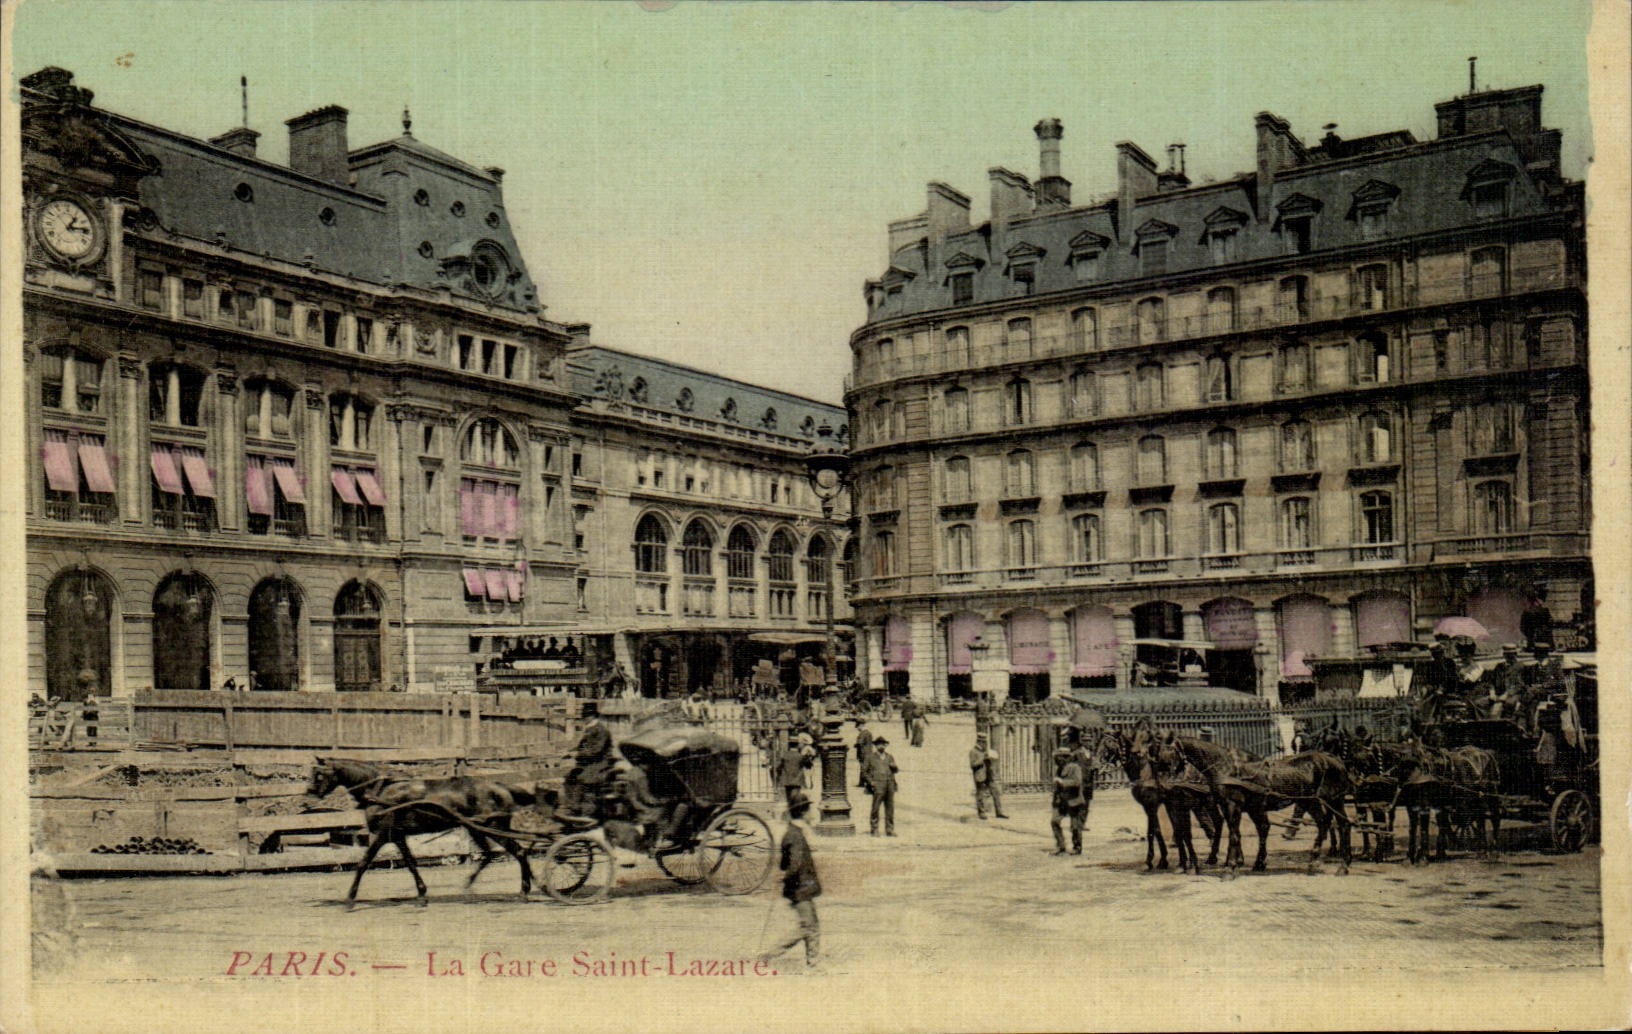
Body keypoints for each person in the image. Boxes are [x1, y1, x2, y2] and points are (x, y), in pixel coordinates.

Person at [762, 789, 821, 969]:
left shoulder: (792, 832)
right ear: (803, 812)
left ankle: (772, 954)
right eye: (809, 810)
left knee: (809, 926)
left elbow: (783, 864)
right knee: (809, 927)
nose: (812, 814)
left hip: (799, 888)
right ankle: (772, 954)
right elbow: (794, 865)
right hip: (800, 888)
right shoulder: (796, 835)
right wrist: (787, 878)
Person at [559, 718, 616, 820]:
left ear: (592, 716)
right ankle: (574, 807)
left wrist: (576, 754)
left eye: (586, 716)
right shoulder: (590, 729)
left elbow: (596, 750)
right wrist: (568, 751)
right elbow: (583, 747)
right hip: (589, 762)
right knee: (570, 778)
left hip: (600, 763)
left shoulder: (601, 730)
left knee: (584, 779)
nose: (584, 719)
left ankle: (588, 813)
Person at [1050, 747, 1088, 856]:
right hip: (1062, 801)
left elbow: (1077, 782)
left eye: (1058, 757)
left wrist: (1062, 782)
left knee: (1075, 826)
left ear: (1065, 758)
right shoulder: (1059, 769)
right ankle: (1060, 845)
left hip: (1074, 801)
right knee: (1054, 821)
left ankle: (1077, 847)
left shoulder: (1075, 768)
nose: (1056, 760)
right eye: (1055, 758)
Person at [862, 734, 899, 837]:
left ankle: (889, 830)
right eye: (879, 744)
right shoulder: (870, 757)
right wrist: (871, 782)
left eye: (883, 744)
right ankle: (874, 829)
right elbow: (864, 772)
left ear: (886, 745)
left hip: (890, 784)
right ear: (875, 746)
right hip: (878, 785)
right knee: (875, 808)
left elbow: (895, 770)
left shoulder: (889, 757)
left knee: (890, 808)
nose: (881, 746)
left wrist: (895, 767)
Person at [969, 733, 1008, 820]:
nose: (985, 744)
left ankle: (999, 812)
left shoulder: (985, 751)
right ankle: (982, 813)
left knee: (996, 792)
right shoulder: (973, 751)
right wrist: (983, 759)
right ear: (979, 742)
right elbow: (972, 764)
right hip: (980, 776)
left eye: (985, 742)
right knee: (980, 794)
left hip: (989, 775)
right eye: (983, 742)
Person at [772, 738, 813, 805]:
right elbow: (808, 766)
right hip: (797, 780)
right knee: (795, 800)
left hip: (787, 780)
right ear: (797, 745)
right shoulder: (800, 756)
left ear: (789, 745)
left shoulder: (785, 755)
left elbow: (779, 767)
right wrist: (808, 757)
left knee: (789, 799)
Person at [853, 719, 875, 789]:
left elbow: (860, 743)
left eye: (858, 727)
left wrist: (855, 745)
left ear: (861, 725)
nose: (857, 729)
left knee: (864, 768)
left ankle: (867, 783)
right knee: (866, 768)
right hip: (869, 752)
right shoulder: (869, 733)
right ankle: (862, 782)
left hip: (864, 753)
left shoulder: (863, 733)